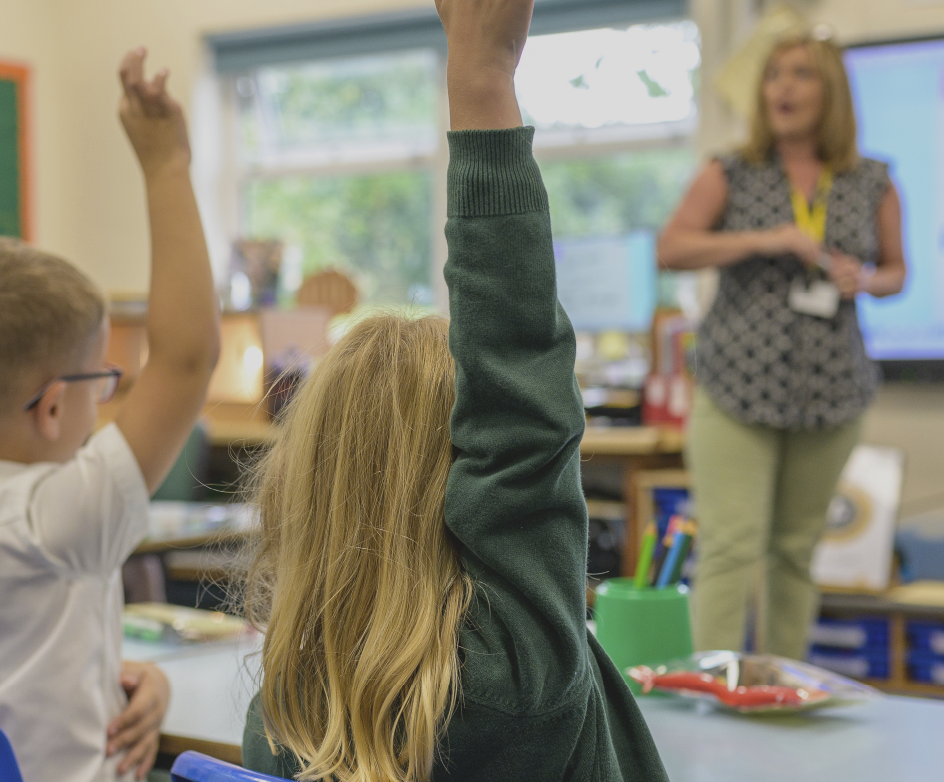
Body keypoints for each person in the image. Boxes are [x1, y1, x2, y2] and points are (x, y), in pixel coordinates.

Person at [236, 2, 669, 780]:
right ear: (462, 478)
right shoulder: (513, 679)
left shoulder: (283, 714)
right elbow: (518, 406)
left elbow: (517, 414)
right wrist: (481, 80)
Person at [0, 48, 215, 782]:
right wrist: (166, 165)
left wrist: (117, 675)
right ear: (54, 405)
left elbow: (8, 671)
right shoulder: (55, 520)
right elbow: (187, 360)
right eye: (102, 382)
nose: (106, 399)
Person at [656, 33, 908, 658]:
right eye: (774, 76)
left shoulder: (872, 181)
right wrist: (765, 239)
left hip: (831, 392)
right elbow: (672, 248)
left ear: (832, 91)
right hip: (736, 387)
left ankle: (780, 685)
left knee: (796, 551)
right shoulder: (730, 171)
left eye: (801, 75)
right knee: (731, 545)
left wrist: (864, 279)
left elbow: (897, 272)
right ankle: (711, 688)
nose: (783, 88)